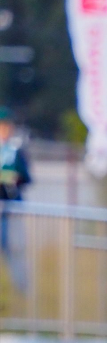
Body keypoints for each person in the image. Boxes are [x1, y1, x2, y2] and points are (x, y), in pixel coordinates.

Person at [0, 108, 32, 294]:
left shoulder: (15, 151)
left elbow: (27, 177)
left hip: (11, 208)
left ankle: (21, 288)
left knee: (14, 247)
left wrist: (15, 177)